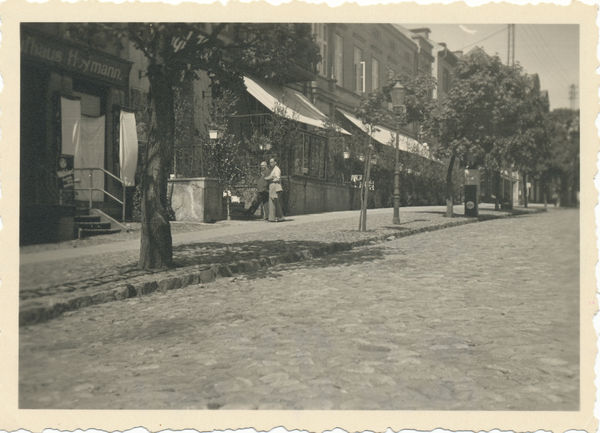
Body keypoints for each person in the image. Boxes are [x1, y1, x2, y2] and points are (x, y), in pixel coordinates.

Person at [264, 157, 285, 222]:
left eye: (272, 162)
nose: (270, 164)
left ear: (275, 162)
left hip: (275, 186)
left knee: (273, 202)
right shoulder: (273, 169)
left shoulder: (276, 169)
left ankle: (273, 218)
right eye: (270, 162)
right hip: (273, 186)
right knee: (274, 202)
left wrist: (269, 179)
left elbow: (278, 178)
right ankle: (279, 217)